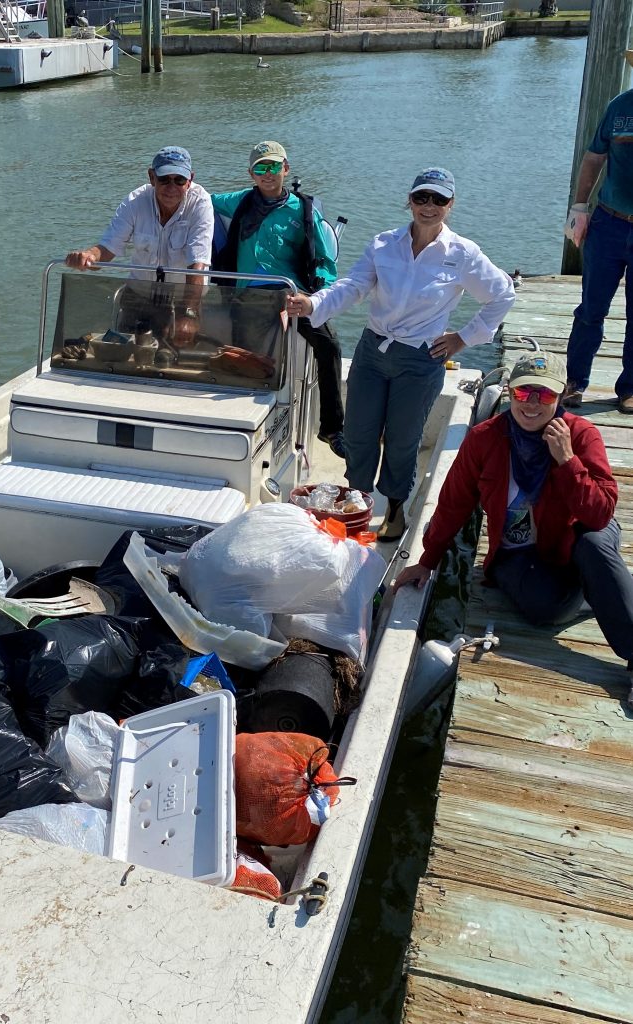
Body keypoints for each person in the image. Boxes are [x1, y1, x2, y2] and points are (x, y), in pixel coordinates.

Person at [395, 352, 633, 706]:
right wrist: (427, 560)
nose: (533, 404)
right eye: (524, 393)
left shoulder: (581, 435)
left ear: (562, 395)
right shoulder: (484, 438)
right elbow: (454, 503)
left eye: (545, 395)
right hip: (521, 550)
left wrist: (567, 461)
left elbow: (600, 514)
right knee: (544, 611)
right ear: (509, 392)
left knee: (596, 546)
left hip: (577, 537)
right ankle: (601, 591)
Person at [290, 167, 516, 541]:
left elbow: (503, 294)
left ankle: (395, 506)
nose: (429, 206)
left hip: (421, 360)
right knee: (358, 434)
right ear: (409, 201)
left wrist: (464, 338)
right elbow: (353, 286)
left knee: (402, 439)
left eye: (439, 200)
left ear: (451, 205)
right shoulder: (383, 243)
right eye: (422, 198)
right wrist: (312, 304)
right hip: (372, 351)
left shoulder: (463, 253)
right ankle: (358, 501)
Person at [212, 141, 345, 457]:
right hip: (249, 297)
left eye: (274, 166)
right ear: (251, 174)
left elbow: (326, 261)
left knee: (329, 346)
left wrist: (316, 296)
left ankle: (332, 428)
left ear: (286, 169)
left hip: (292, 294)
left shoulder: (304, 209)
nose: (268, 173)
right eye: (261, 168)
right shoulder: (238, 202)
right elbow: (199, 198)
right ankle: (242, 430)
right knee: (246, 362)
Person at [66, 146, 213, 348]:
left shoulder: (201, 203)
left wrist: (187, 314)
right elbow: (107, 250)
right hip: (139, 296)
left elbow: (197, 264)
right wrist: (87, 256)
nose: (171, 187)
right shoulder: (135, 201)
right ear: (152, 177)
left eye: (179, 180)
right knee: (123, 358)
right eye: (164, 179)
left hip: (184, 298)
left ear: (190, 180)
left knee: (177, 363)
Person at [563, 52, 633, 415]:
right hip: (608, 222)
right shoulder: (619, 107)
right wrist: (579, 208)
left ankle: (630, 388)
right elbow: (594, 157)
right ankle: (575, 381)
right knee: (591, 308)